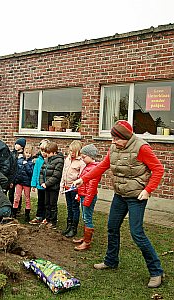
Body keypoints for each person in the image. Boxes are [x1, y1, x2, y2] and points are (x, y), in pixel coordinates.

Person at [73, 120, 165, 288]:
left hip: (137, 196)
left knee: (137, 233)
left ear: (126, 137)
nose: (113, 142)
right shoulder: (114, 148)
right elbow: (102, 166)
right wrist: (83, 179)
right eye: (112, 138)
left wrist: (148, 190)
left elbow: (158, 169)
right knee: (112, 227)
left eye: (116, 138)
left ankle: (156, 271)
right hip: (120, 195)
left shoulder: (141, 148)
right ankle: (111, 261)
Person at [73, 144, 101, 251]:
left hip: (88, 197)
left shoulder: (94, 169)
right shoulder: (88, 166)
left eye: (84, 157)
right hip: (84, 196)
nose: (82, 159)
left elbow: (91, 188)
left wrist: (87, 201)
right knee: (85, 217)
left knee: (87, 218)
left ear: (91, 156)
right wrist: (79, 195)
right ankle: (85, 238)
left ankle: (87, 242)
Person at [60, 141, 85, 238]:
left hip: (74, 189)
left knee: (75, 208)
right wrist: (62, 185)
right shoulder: (67, 159)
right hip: (67, 187)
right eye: (70, 151)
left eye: (74, 151)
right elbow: (64, 172)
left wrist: (78, 191)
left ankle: (73, 228)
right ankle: (69, 226)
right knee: (69, 207)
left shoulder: (81, 162)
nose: (72, 153)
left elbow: (82, 177)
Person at [39, 142, 64, 230]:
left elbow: (56, 176)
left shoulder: (59, 161)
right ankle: (47, 218)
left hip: (53, 187)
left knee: (52, 204)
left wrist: (47, 183)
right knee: (46, 203)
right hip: (46, 186)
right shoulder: (46, 160)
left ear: (54, 152)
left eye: (49, 153)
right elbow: (42, 172)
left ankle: (53, 221)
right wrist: (42, 182)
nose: (47, 155)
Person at [29, 139, 50, 225]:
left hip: (47, 185)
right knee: (40, 201)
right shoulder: (38, 160)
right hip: (39, 185)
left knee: (47, 202)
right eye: (42, 151)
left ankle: (46, 217)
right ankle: (39, 216)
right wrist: (33, 184)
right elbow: (35, 172)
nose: (43, 153)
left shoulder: (50, 160)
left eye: (45, 151)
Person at [12, 145, 34, 222]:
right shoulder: (19, 160)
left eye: (29, 153)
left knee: (27, 198)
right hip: (19, 182)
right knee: (17, 197)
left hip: (27, 183)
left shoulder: (31, 163)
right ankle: (14, 213)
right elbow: (17, 171)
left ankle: (27, 215)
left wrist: (26, 164)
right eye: (26, 152)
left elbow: (31, 173)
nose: (27, 154)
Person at [8, 138, 26, 211]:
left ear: (22, 146)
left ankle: (18, 207)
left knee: (18, 194)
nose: (16, 145)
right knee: (11, 193)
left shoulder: (24, 156)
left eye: (18, 144)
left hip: (19, 177)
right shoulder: (12, 154)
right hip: (12, 176)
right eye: (15, 144)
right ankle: (10, 206)